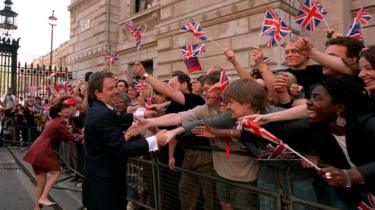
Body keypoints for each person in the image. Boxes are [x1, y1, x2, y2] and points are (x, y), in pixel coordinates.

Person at [82, 71, 170, 210]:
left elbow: (119, 118)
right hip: (105, 187)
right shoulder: (102, 114)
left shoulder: (99, 108)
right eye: (111, 89)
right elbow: (121, 149)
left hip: (101, 180)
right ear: (98, 93)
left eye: (115, 86)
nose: (116, 91)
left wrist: (143, 114)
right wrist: (155, 141)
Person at [23, 96, 81, 210]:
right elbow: (71, 137)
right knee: (56, 172)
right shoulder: (60, 122)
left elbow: (63, 137)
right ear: (59, 112)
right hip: (42, 150)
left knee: (40, 183)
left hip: (37, 149)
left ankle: (37, 208)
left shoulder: (57, 121)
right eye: (65, 108)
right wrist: (84, 137)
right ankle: (44, 197)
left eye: (68, 107)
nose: (68, 109)